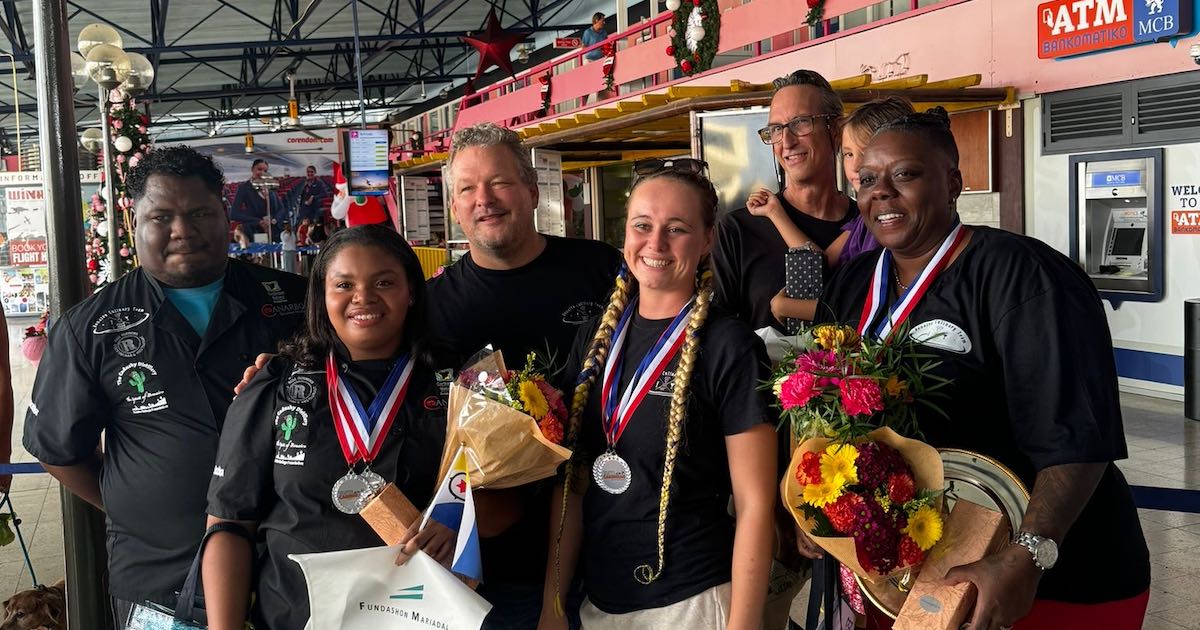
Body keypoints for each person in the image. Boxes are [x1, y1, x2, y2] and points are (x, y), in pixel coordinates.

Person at [819, 108, 1150, 629]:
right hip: (924, 569)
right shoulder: (852, 283)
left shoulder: (1026, 277)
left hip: (1051, 576)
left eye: (904, 174)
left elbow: (1079, 439)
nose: (880, 191)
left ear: (954, 181)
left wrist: (1028, 555)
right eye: (866, 180)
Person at [20, 146, 306, 627]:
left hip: (292, 561)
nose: (183, 230)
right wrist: (136, 501)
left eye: (199, 213)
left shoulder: (295, 302)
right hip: (163, 579)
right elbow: (58, 450)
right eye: (162, 216)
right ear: (135, 223)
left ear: (224, 213)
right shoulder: (88, 328)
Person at [542, 161, 776, 630]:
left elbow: (755, 505)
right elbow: (574, 484)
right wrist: (553, 605)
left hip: (690, 602)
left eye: (677, 229)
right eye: (642, 226)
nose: (656, 244)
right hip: (599, 601)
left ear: (708, 240)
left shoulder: (730, 346)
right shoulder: (594, 338)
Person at [203, 225, 453, 630]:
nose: (364, 297)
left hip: (420, 616)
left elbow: (500, 495)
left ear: (411, 292)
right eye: (344, 284)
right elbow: (229, 523)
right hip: (294, 616)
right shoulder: (276, 385)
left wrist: (458, 521)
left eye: (384, 282)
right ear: (322, 297)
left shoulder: (458, 382)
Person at [430, 122, 622, 627]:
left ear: (533, 192)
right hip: (490, 567)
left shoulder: (601, 269)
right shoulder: (431, 307)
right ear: (454, 206)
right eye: (467, 188)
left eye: (499, 182)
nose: (484, 199)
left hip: (610, 543)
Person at [712, 69, 858, 333]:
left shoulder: (869, 226)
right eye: (776, 129)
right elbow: (719, 332)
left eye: (801, 123)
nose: (786, 142)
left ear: (835, 130)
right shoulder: (738, 230)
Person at [751, 96, 914, 323]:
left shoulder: (893, 226)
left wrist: (787, 307)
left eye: (865, 152)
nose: (856, 165)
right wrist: (774, 212)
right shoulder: (862, 222)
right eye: (848, 154)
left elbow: (865, 311)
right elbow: (816, 261)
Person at [231, 158, 284, 241]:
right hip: (254, 230)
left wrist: (274, 220)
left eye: (265, 171)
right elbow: (234, 213)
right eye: (259, 169)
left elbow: (281, 209)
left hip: (273, 229)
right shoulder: (244, 188)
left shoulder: (270, 187)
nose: (262, 173)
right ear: (252, 169)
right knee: (260, 252)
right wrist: (258, 221)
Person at [581, 13, 612, 104]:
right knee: (588, 83)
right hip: (590, 61)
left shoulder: (604, 33)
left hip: (601, 61)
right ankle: (584, 103)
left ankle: (601, 101)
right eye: (602, 20)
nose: (604, 22)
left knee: (603, 81)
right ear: (596, 21)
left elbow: (607, 45)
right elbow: (584, 47)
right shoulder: (588, 32)